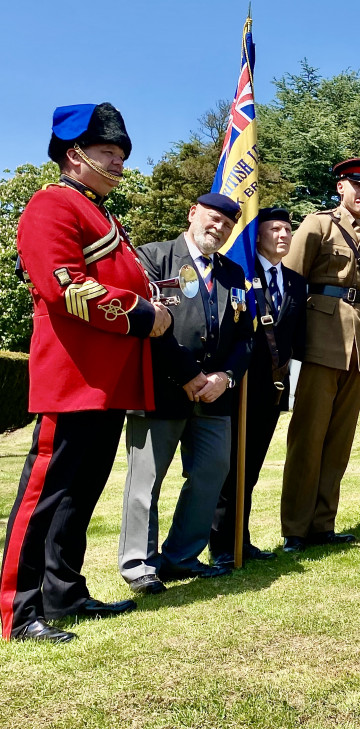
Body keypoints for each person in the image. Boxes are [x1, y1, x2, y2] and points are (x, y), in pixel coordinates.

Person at [0, 103, 174, 643]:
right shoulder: (52, 205)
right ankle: (16, 609)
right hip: (75, 376)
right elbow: (65, 287)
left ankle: (64, 593)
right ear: (74, 155)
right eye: (108, 153)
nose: (119, 163)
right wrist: (145, 314)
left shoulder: (99, 211)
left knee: (82, 491)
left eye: (121, 154)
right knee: (46, 492)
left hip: (108, 379)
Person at [119, 193, 253, 593]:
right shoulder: (152, 257)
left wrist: (225, 377)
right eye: (214, 219)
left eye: (228, 225)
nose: (220, 228)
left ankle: (181, 556)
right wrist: (189, 375)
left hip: (215, 396)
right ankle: (138, 563)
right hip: (161, 389)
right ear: (193, 213)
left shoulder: (234, 274)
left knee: (212, 472)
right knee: (147, 479)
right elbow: (149, 324)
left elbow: (246, 337)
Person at [280, 158, 360, 552]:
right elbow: (291, 282)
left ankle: (323, 524)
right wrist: (286, 345)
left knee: (339, 441)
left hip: (358, 343)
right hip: (321, 339)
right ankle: (295, 527)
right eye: (357, 184)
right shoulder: (318, 224)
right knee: (308, 438)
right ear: (340, 187)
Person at [210, 207, 306, 566]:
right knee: (228, 469)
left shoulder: (297, 281)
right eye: (274, 229)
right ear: (257, 235)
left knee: (250, 470)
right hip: (239, 386)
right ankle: (222, 545)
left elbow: (296, 338)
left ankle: (242, 538)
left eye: (287, 229)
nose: (282, 235)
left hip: (272, 390)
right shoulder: (241, 276)